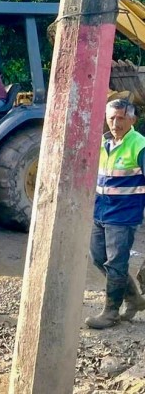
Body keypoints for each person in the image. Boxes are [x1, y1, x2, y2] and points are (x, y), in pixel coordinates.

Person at [86, 99, 145, 329]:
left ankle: (111, 312)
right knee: (98, 258)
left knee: (116, 263)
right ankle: (135, 299)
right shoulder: (104, 143)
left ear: (132, 119)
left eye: (121, 118)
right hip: (101, 212)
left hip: (123, 215)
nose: (115, 122)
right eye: (111, 117)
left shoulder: (139, 145)